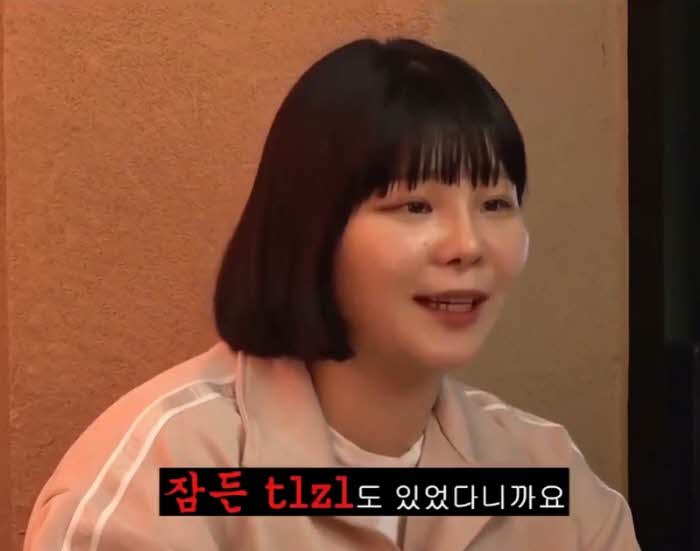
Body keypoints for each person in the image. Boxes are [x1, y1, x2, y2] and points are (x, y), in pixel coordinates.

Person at [23, 37, 641, 550]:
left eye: (496, 204)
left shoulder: (543, 475)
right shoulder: (166, 473)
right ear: (311, 229)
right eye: (415, 206)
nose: (468, 245)